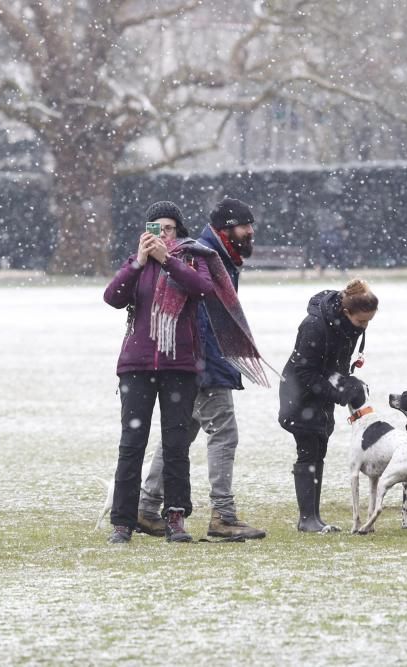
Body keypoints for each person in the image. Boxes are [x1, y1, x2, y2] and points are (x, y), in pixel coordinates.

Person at [136, 197, 267, 541]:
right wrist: (207, 368)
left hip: (192, 360)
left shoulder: (218, 254)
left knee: (179, 436)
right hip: (203, 361)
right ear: (225, 230)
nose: (250, 231)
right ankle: (223, 517)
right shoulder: (205, 254)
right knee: (224, 435)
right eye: (244, 225)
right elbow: (204, 317)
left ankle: (146, 508)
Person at [103, 201, 213, 544]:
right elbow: (112, 297)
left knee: (176, 444)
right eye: (155, 228)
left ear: (178, 231)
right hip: (136, 367)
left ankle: (175, 517)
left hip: (178, 365)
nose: (161, 234)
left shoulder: (192, 259)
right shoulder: (137, 265)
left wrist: (168, 260)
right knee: (131, 444)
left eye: (168, 228)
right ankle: (122, 522)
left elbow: (204, 290)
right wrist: (138, 262)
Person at [279, 278, 378, 532]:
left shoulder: (348, 327)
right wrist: (337, 391)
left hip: (321, 393)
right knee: (309, 448)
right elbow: (304, 372)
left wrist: (344, 382)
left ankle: (314, 516)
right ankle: (307, 519)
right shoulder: (314, 326)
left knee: (319, 445)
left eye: (368, 321)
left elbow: (335, 364)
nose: (364, 326)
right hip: (299, 394)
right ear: (346, 311)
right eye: (362, 321)